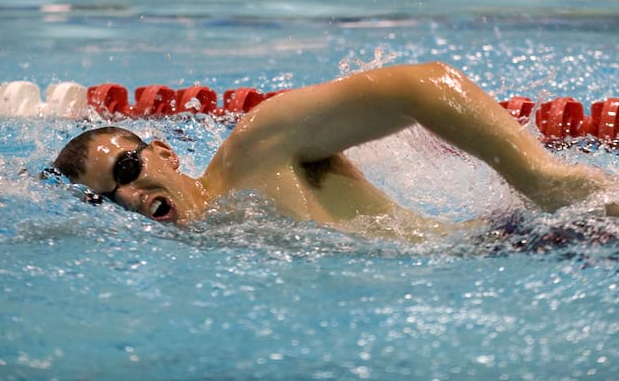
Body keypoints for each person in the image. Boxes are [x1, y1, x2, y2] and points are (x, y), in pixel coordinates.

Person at [53, 62, 613, 242]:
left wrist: (541, 178)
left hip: (529, 238)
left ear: (165, 153)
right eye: (109, 197)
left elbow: (419, 85)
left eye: (127, 168)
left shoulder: (254, 148)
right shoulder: (214, 236)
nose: (130, 194)